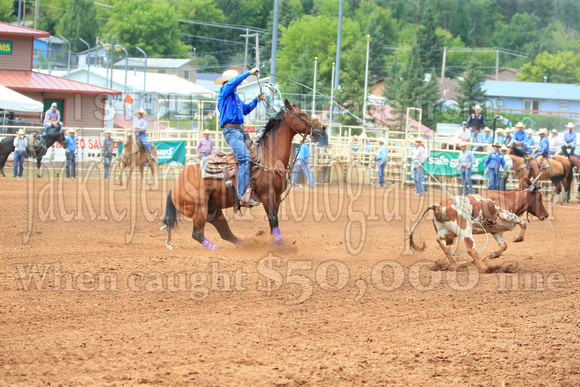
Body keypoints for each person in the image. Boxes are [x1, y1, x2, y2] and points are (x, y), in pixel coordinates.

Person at [216, 67, 264, 207]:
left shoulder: (235, 97)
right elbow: (232, 83)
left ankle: (252, 189)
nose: (238, 85)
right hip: (231, 130)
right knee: (245, 159)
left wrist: (256, 100)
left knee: (255, 154)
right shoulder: (224, 91)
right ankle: (241, 195)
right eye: (236, 82)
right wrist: (248, 72)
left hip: (238, 131)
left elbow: (246, 109)